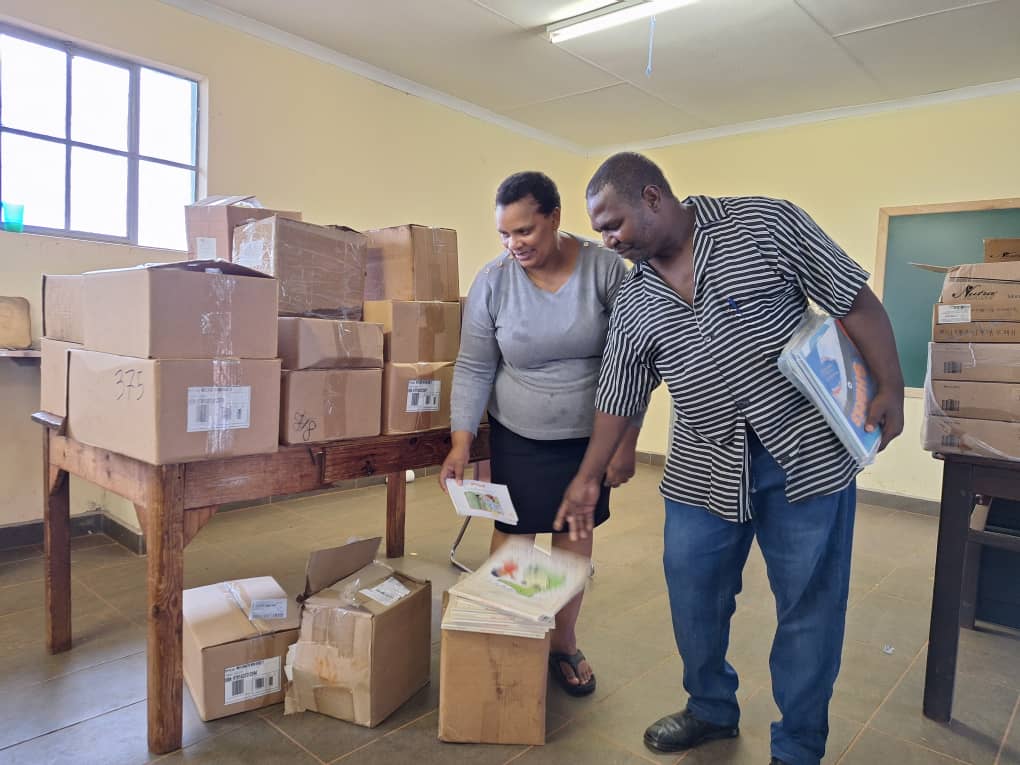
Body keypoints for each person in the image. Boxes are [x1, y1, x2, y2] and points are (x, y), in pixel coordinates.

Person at [555, 153, 904, 764]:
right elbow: (618, 391)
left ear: (653, 198)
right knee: (694, 594)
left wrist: (891, 385)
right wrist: (588, 477)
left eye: (613, 225)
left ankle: (798, 747)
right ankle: (710, 709)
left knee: (808, 607)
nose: (607, 242)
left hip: (806, 457)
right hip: (703, 467)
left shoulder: (765, 225)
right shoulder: (634, 297)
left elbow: (855, 301)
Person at [440, 170, 642, 696]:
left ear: (554, 218)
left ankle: (562, 642)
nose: (514, 244)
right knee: (515, 539)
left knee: (573, 537)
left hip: (590, 435)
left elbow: (636, 359)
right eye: (505, 234)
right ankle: (513, 633)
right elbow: (474, 365)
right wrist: (461, 440)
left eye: (525, 231)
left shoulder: (605, 271)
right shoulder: (494, 280)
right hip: (520, 433)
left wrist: (626, 443)